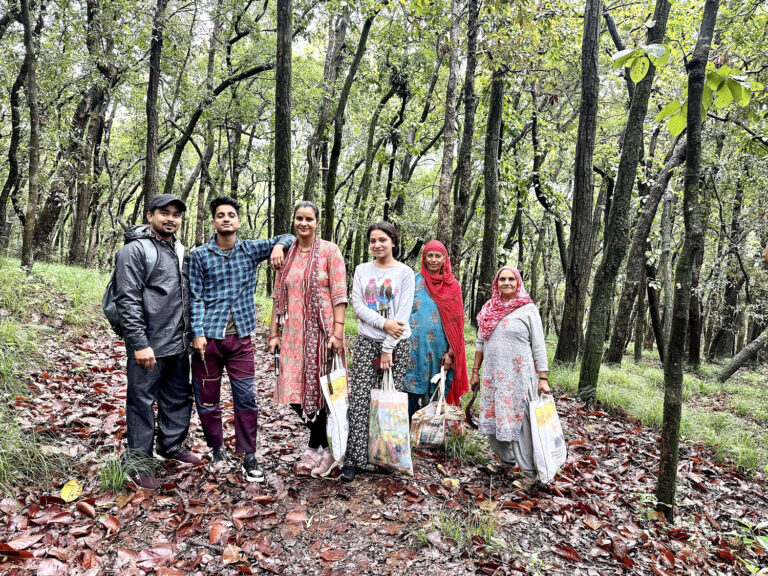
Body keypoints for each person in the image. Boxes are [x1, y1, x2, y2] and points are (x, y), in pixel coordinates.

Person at [188, 195, 293, 483]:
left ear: (238, 221)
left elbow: (290, 235)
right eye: (220, 215)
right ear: (213, 221)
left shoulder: (249, 250)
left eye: (230, 215)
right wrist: (197, 333)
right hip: (207, 339)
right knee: (207, 398)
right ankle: (217, 449)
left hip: (241, 340)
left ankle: (248, 454)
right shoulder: (198, 256)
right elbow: (194, 297)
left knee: (245, 397)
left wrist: (280, 246)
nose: (225, 219)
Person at [113, 193, 200, 490]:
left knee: (178, 397)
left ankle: (171, 447)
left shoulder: (179, 250)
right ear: (150, 215)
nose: (171, 218)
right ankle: (138, 462)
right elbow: (127, 299)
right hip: (148, 344)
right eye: (164, 212)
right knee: (141, 402)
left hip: (177, 342)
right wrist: (139, 343)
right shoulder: (135, 251)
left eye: (176, 214)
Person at [269, 201, 347, 478]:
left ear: (317, 222)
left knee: (324, 393)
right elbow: (278, 297)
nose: (304, 223)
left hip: (323, 333)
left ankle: (320, 449)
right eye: (299, 218)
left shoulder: (330, 251)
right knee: (293, 392)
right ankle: (318, 443)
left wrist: (337, 333)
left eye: (309, 219)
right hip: (292, 335)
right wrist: (274, 334)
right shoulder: (286, 255)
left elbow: (339, 295)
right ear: (294, 221)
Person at [341, 222, 415, 482]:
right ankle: (354, 458)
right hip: (366, 340)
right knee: (360, 399)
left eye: (382, 239)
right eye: (372, 240)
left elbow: (403, 314)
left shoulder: (405, 273)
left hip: (396, 345)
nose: (377, 245)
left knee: (387, 400)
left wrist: (387, 349)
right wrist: (384, 324)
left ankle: (384, 457)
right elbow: (358, 307)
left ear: (393, 242)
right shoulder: (362, 270)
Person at [469, 266, 549, 488]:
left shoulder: (528, 310)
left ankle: (529, 475)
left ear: (518, 283)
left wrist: (543, 377)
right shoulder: (488, 309)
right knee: (495, 420)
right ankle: (505, 461)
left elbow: (539, 345)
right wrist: (475, 372)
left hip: (519, 378)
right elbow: (480, 343)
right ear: (496, 283)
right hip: (493, 377)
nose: (506, 283)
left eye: (511, 279)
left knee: (520, 424)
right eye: (502, 279)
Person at [404, 240, 469, 417]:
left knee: (438, 391)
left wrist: (451, 353)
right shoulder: (414, 281)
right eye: (429, 256)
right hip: (414, 348)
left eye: (437, 256)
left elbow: (457, 323)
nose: (433, 260)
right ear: (423, 259)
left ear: (444, 259)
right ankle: (409, 433)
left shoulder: (453, 286)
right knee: (410, 390)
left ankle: (432, 437)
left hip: (439, 351)